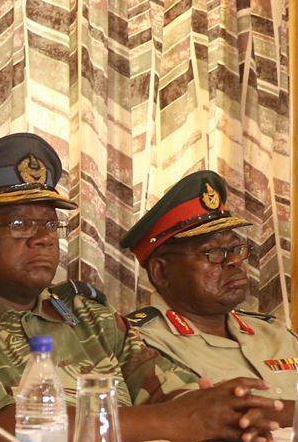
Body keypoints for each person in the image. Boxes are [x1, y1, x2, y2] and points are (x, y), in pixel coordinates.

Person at [0, 133, 282, 442]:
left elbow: (176, 395)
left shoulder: (89, 317)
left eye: (50, 224)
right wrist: (174, 420)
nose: (43, 238)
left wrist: (228, 414)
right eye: (20, 224)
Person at [120, 170, 295, 426]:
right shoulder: (139, 341)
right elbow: (208, 416)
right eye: (213, 253)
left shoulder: (273, 331)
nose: (234, 261)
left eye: (236, 249)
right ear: (161, 272)